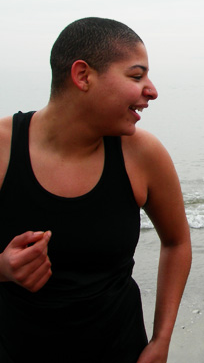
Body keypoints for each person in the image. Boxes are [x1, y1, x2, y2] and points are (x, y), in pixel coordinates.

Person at [0, 18, 192, 363]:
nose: (152, 90)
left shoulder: (143, 154)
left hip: (121, 349)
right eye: (136, 76)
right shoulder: (3, 148)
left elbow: (177, 242)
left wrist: (161, 341)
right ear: (83, 75)